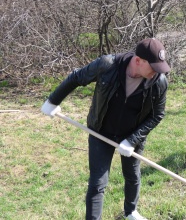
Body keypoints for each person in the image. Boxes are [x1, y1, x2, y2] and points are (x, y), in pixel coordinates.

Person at [41, 38, 170, 220]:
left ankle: (130, 212)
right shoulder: (108, 65)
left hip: (132, 135)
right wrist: (52, 101)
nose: (157, 71)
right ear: (138, 60)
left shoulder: (159, 82)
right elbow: (76, 77)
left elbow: (157, 115)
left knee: (132, 175)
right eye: (154, 66)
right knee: (97, 183)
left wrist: (132, 140)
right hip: (100, 131)